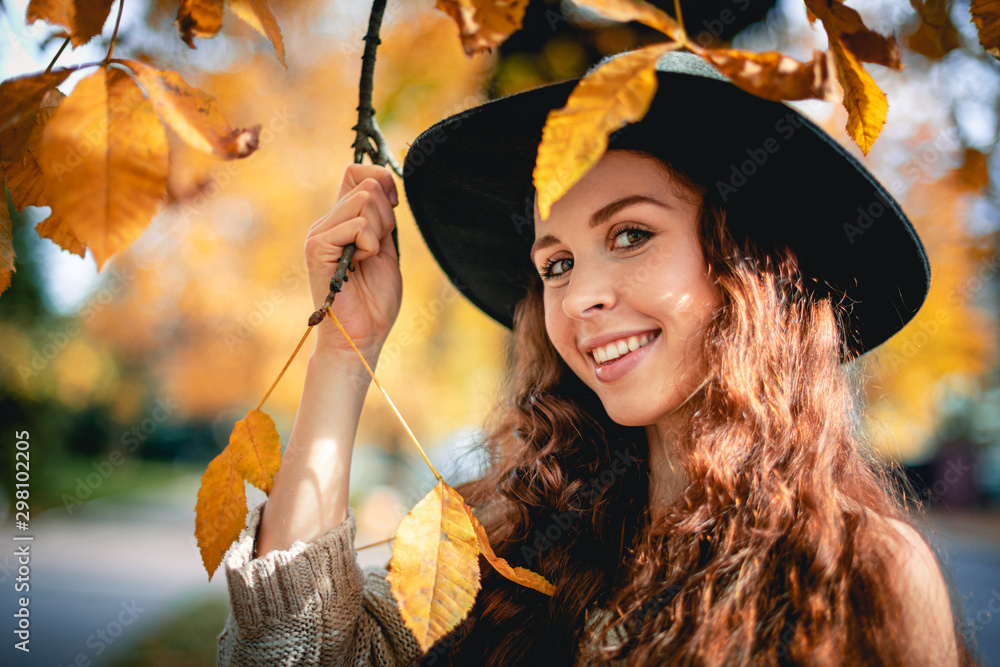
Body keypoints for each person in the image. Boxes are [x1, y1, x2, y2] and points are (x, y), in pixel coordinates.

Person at [217, 52, 981, 666]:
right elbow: (295, 654)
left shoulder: (855, 574)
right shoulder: (507, 555)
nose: (580, 297)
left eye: (630, 236)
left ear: (745, 267)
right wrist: (344, 347)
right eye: (556, 265)